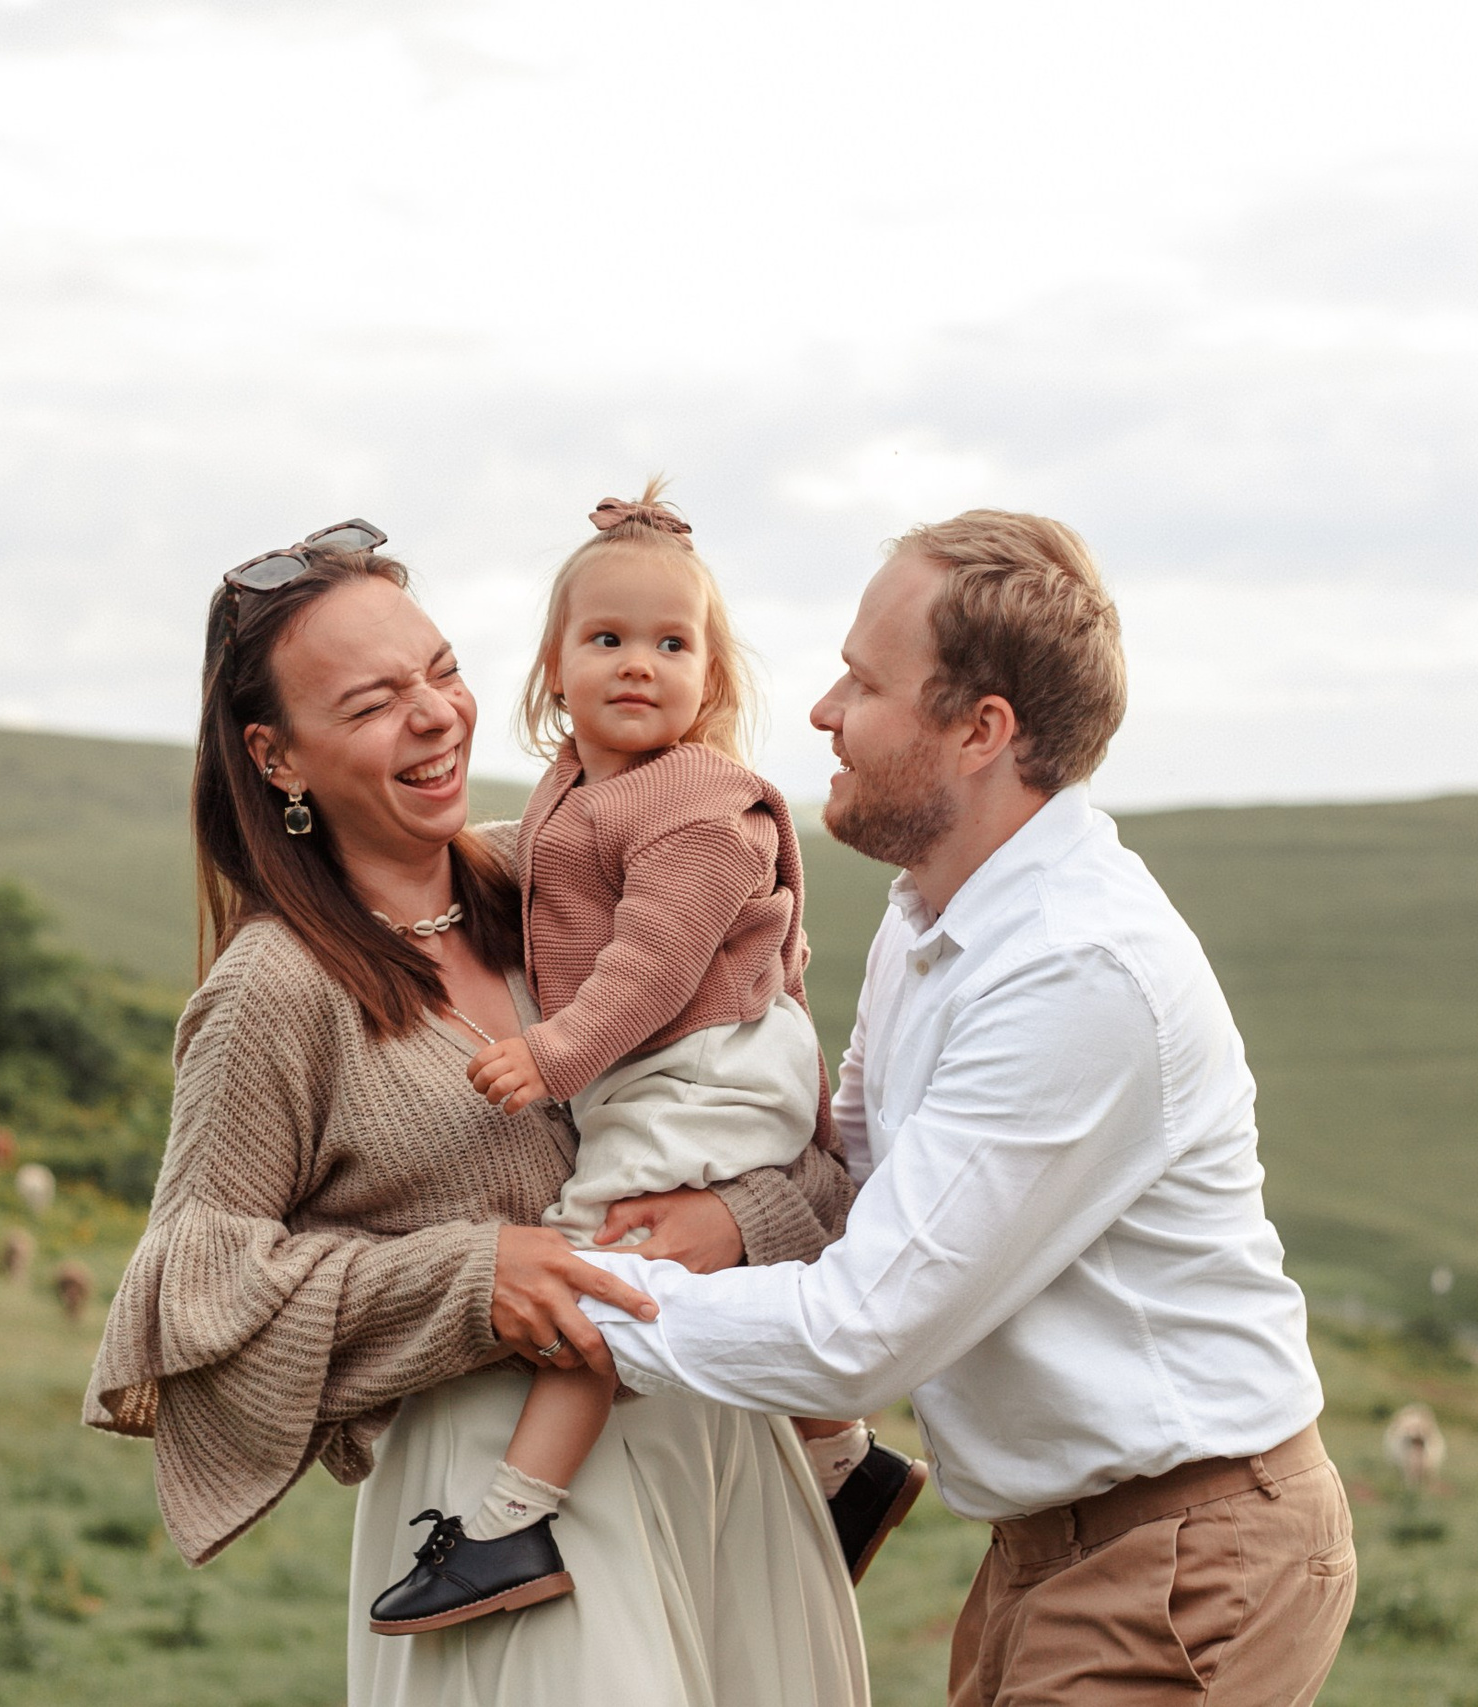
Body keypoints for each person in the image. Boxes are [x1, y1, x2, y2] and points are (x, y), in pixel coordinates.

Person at [574, 511, 1357, 1706]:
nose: (824, 712)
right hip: (1050, 1546)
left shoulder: (1076, 970)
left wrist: (561, 1297)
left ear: (980, 731)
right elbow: (860, 1175)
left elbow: (862, 1331)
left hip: (1180, 1556)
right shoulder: (926, 912)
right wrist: (732, 1221)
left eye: (864, 682)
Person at [82, 521, 868, 1707]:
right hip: (502, 1519)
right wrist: (472, 1278)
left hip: (724, 1456)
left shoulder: (565, 886)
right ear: (277, 757)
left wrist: (734, 1219)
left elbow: (796, 1142)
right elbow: (192, 1289)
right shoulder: (276, 990)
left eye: (440, 672)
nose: (436, 715)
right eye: (370, 703)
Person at [368, 485, 926, 1636]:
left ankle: (512, 1521)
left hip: (709, 1053)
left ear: (711, 681)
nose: (638, 664)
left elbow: (654, 961)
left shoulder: (697, 808)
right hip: (678, 1061)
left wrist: (554, 1055)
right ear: (552, 672)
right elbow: (540, 867)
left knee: (600, 1254)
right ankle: (844, 1463)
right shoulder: (581, 785)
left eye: (672, 645)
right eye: (607, 640)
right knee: (650, 1240)